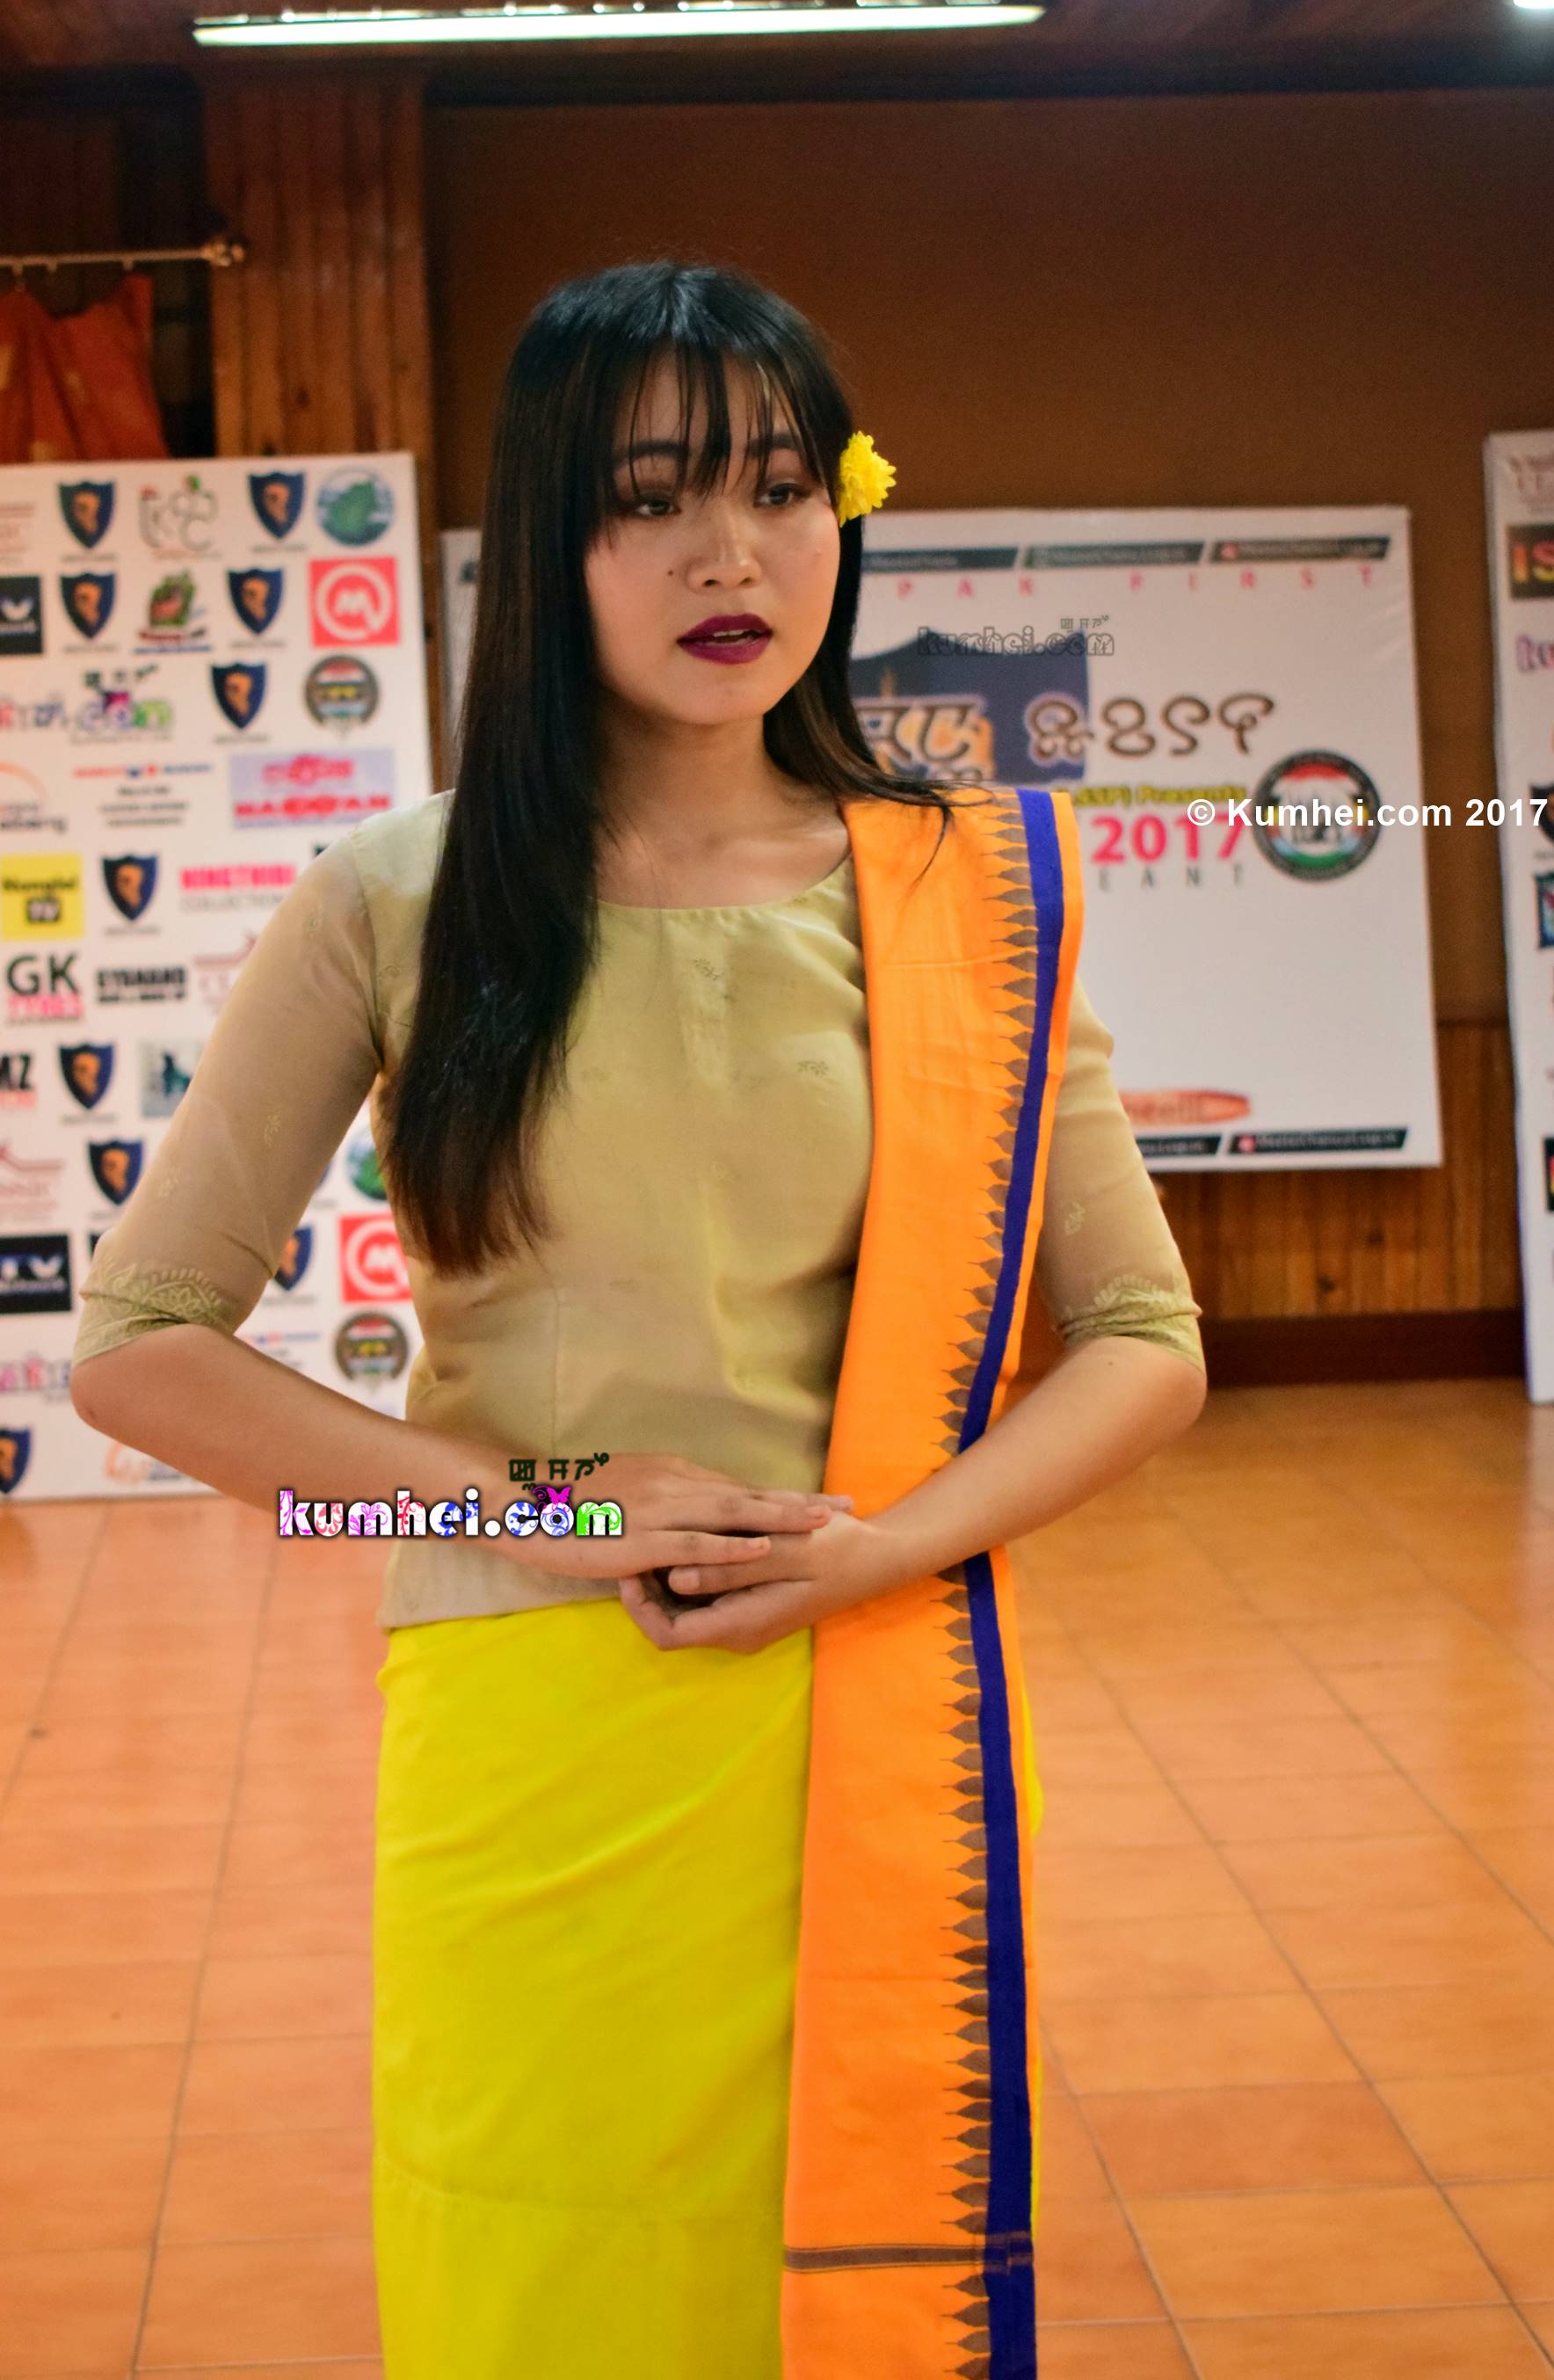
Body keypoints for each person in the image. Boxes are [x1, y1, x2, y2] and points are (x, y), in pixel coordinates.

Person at [69, 259, 1208, 2379]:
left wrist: (884, 1547)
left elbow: (1147, 1333)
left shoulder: (964, 891)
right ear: (548, 539)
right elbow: (137, 1344)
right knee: (539, 2273)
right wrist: (533, 1513)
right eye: (651, 496)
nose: (729, 555)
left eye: (779, 488)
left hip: (870, 1700)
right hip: (530, 1723)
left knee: (857, 2281)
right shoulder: (397, 897)